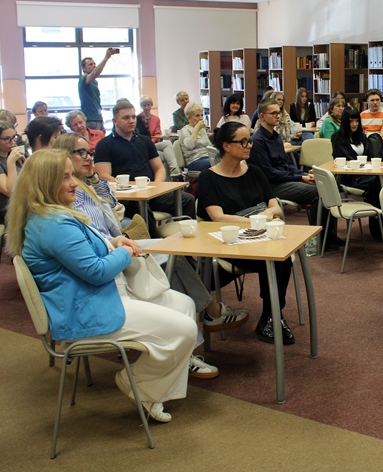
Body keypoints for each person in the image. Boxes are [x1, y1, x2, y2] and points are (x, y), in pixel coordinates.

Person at [7, 149, 198, 423]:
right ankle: (141, 385)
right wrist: (125, 252)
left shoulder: (55, 216)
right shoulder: (52, 224)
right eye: (65, 177)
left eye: (72, 175)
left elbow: (86, 254)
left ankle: (153, 389)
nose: (74, 183)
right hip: (88, 309)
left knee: (185, 305)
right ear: (43, 184)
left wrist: (114, 243)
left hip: (101, 295)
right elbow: (96, 272)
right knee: (186, 329)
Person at [52, 133, 246, 375]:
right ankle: (207, 314)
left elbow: (110, 202)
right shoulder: (69, 195)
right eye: (80, 153)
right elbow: (94, 241)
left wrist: (93, 177)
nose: (87, 157)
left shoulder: (85, 185)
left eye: (88, 152)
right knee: (171, 256)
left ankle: (201, 319)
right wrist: (121, 245)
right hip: (110, 255)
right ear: (63, 159)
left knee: (174, 251)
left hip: (117, 243)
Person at [197, 121, 297, 344]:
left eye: (249, 140)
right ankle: (272, 317)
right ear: (226, 146)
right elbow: (217, 217)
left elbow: (275, 206)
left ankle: (271, 315)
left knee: (281, 257)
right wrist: (255, 220)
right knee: (273, 259)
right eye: (243, 141)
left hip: (259, 239)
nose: (249, 145)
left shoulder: (255, 172)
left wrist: (268, 214)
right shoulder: (208, 177)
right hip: (227, 244)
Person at [94, 101, 196, 234]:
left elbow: (159, 168)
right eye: (126, 118)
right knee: (142, 209)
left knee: (187, 200)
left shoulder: (144, 140)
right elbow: (104, 175)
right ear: (115, 121)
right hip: (127, 197)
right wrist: (128, 188)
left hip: (150, 191)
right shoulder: (105, 145)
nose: (131, 121)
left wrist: (156, 186)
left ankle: (185, 243)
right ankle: (155, 248)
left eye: (133, 117)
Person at [249, 98, 339, 246]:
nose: (278, 116)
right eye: (273, 113)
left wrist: (302, 175)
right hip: (272, 186)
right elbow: (269, 173)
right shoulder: (258, 141)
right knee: (318, 193)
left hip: (285, 180)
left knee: (326, 186)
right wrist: (299, 177)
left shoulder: (276, 137)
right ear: (262, 116)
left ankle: (329, 235)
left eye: (278, 113)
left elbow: (287, 164)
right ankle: (320, 239)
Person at [331, 108, 383, 207]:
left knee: (381, 179)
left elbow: (369, 156)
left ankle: (378, 216)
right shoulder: (337, 138)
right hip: (349, 176)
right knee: (377, 182)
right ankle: (378, 217)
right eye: (351, 121)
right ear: (346, 122)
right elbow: (344, 158)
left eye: (357, 121)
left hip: (365, 173)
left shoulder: (362, 137)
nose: (354, 124)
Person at [79, 48, 119, 131]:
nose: (93, 66)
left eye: (94, 64)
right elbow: (95, 73)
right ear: (83, 68)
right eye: (90, 64)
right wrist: (106, 58)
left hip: (98, 119)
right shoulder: (83, 80)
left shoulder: (95, 82)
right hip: (90, 120)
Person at [178, 102, 213, 172]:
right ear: (189, 118)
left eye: (202, 115)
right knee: (215, 164)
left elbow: (209, 146)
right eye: (197, 116)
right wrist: (196, 129)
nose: (200, 118)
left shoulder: (202, 130)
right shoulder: (185, 130)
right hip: (194, 161)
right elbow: (190, 145)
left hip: (207, 157)